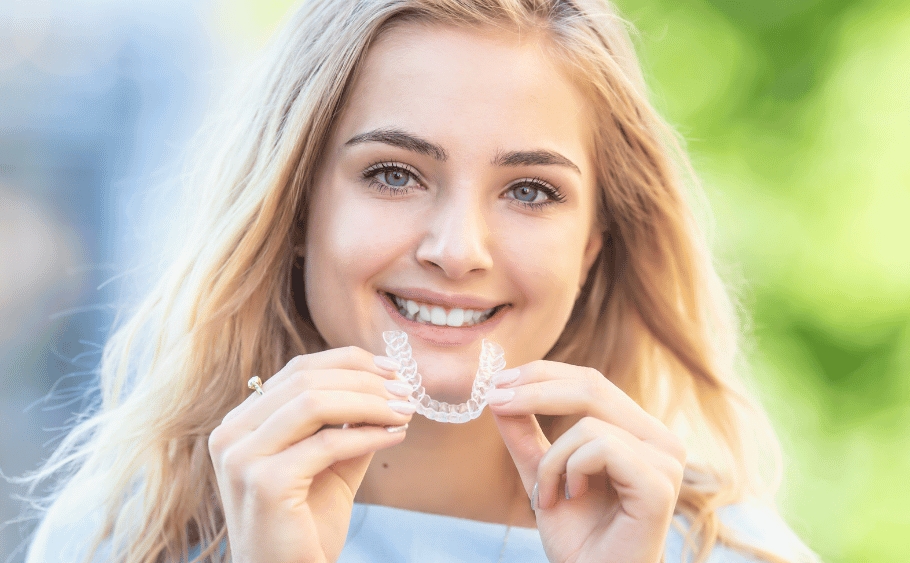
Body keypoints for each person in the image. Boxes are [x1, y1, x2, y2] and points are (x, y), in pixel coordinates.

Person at [24, 0, 819, 561]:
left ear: (592, 246)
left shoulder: (732, 553)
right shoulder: (118, 539)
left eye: (530, 190)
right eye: (395, 173)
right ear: (297, 207)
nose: (457, 248)